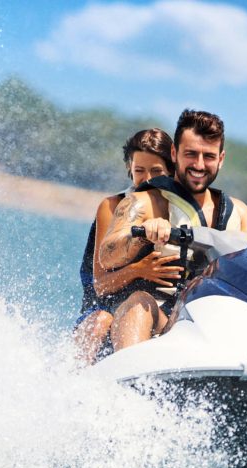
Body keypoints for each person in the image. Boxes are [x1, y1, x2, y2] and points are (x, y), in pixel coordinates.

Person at [99, 109, 247, 351]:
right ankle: (129, 379)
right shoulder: (145, 202)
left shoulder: (239, 213)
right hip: (162, 321)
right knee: (139, 303)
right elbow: (106, 255)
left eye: (208, 156)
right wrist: (141, 233)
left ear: (221, 159)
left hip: (216, 327)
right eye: (191, 154)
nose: (199, 164)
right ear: (175, 154)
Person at [72, 128, 181, 363]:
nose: (148, 179)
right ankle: (72, 387)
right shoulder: (111, 207)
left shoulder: (180, 211)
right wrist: (139, 269)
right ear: (129, 170)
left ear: (172, 171)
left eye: (156, 171)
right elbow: (100, 286)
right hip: (105, 306)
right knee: (101, 321)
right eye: (139, 170)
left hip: (154, 312)